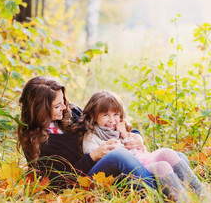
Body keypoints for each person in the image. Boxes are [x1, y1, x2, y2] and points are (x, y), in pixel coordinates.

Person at [17, 76, 157, 191]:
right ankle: (157, 192)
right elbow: (57, 183)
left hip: (107, 167)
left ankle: (172, 184)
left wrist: (135, 135)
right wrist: (93, 156)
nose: (65, 107)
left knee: (171, 155)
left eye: (63, 101)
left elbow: (104, 123)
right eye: (57, 106)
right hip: (82, 180)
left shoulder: (70, 113)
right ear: (40, 110)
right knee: (119, 156)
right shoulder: (36, 142)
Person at [79, 90, 205, 202]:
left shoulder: (121, 131)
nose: (112, 120)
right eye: (106, 115)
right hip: (123, 175)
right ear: (93, 116)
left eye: (115, 115)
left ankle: (201, 193)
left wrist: (128, 136)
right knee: (162, 166)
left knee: (170, 154)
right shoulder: (91, 137)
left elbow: (139, 151)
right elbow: (106, 163)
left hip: (142, 162)